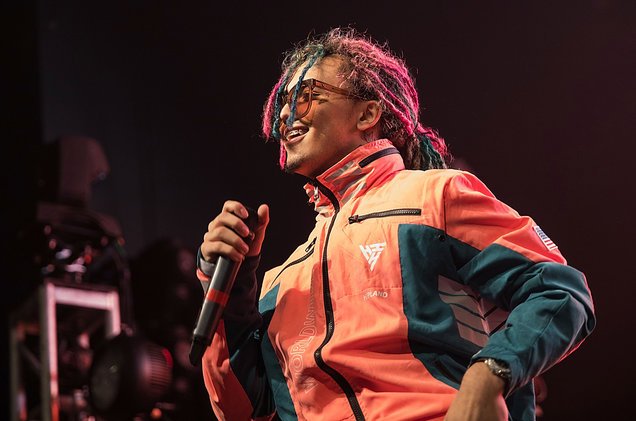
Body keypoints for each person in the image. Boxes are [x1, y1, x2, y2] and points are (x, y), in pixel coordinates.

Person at [196, 27, 595, 421]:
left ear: (367, 114)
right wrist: (232, 289)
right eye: (284, 102)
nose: (286, 113)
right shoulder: (282, 280)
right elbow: (241, 409)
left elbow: (560, 291)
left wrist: (487, 375)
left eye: (308, 95)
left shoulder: (435, 198)